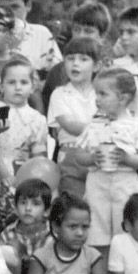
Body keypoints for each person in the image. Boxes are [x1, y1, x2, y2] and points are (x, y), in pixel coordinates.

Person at [74, 68, 138, 251]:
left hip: (125, 183)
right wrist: (92, 158)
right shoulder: (93, 125)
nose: (97, 99)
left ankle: (123, 273)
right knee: (97, 229)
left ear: (123, 98)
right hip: (97, 183)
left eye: (103, 94)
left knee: (124, 228)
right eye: (96, 94)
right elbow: (79, 155)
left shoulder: (136, 126)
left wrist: (127, 158)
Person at [47, 36, 101, 198]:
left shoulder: (101, 93)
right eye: (70, 59)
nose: (75, 63)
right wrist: (103, 130)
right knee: (72, 202)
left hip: (99, 154)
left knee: (98, 204)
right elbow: (68, 124)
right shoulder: (60, 94)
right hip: (71, 156)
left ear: (97, 65)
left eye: (83, 59)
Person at [40, 2, 111, 109]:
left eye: (88, 31)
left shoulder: (110, 73)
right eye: (77, 30)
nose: (80, 36)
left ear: (102, 36)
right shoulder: (58, 72)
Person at [0, 59, 48, 185]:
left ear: (33, 86)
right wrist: (5, 176)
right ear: (1, 86)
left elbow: (38, 154)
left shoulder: (37, 119)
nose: (18, 87)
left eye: (24, 82)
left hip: (26, 177)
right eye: (11, 82)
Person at [0, 178, 54, 274]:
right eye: (23, 203)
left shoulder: (52, 235)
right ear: (15, 208)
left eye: (35, 203)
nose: (28, 208)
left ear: (47, 211)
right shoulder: (7, 234)